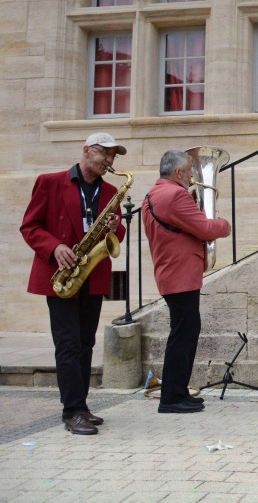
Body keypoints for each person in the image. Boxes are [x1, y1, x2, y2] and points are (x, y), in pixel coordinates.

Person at [20, 132, 128, 435]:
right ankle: (72, 411)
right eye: (105, 154)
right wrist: (54, 247)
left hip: (92, 275)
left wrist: (115, 227)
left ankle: (80, 403)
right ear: (86, 151)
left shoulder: (110, 192)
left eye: (113, 156)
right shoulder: (49, 182)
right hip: (62, 275)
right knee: (67, 344)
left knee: (85, 344)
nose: (110, 161)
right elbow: (30, 226)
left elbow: (114, 239)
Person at [142, 150, 231, 414]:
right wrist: (224, 225)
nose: (193, 174)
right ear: (178, 173)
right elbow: (204, 228)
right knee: (183, 337)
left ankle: (178, 391)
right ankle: (170, 398)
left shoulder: (153, 194)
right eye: (190, 169)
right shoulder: (174, 194)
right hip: (180, 275)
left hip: (172, 273)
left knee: (183, 334)